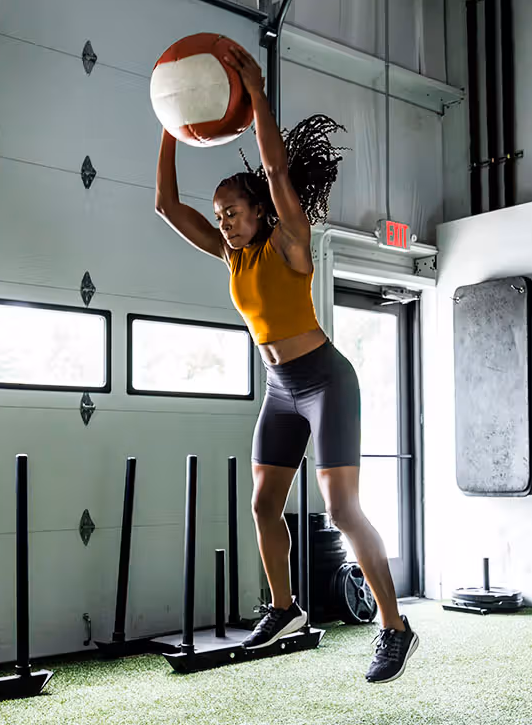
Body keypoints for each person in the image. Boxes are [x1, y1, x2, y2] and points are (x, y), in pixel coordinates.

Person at [153, 41, 418, 684]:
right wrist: (170, 128)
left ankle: (395, 626)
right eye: (221, 217)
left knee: (341, 510)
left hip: (326, 381)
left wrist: (260, 98)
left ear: (261, 211)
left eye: (234, 214)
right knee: (264, 504)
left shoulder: (288, 241)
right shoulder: (232, 256)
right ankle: (284, 606)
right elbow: (166, 205)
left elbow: (274, 172)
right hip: (280, 388)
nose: (227, 224)